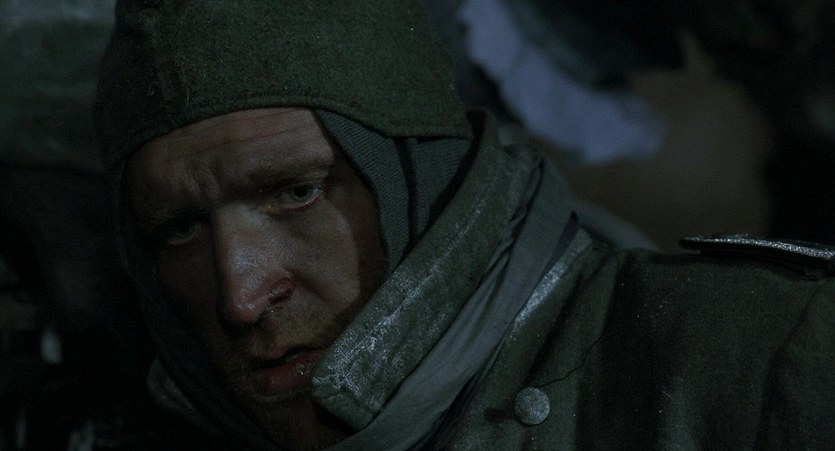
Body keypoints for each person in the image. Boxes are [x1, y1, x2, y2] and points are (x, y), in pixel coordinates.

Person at [93, 1, 835, 450]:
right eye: (179, 230)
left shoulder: (766, 350)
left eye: (297, 192)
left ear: (424, 181)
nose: (241, 296)